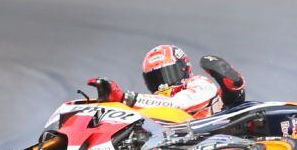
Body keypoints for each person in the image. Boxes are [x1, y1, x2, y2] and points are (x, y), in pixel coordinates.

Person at [88, 44, 245, 119]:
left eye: (168, 73)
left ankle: (233, 88)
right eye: (156, 78)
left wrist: (125, 98)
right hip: (170, 141)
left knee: (232, 100)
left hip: (213, 130)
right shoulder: (154, 103)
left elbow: (177, 105)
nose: (163, 84)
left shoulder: (200, 83)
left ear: (184, 69)